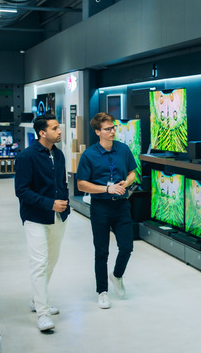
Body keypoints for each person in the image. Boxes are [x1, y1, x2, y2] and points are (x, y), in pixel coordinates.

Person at [14, 114, 69, 332]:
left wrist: (63, 205)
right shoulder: (27, 156)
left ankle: (37, 299)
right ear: (42, 132)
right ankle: (42, 313)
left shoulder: (59, 154)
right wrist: (49, 204)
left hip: (58, 217)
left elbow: (61, 182)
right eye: (55, 128)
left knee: (51, 262)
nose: (60, 131)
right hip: (36, 218)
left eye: (59, 127)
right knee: (39, 263)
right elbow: (22, 191)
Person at [76, 112, 137, 310]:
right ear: (97, 132)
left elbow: (132, 173)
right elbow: (82, 184)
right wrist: (106, 188)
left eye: (113, 128)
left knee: (127, 247)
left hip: (121, 205)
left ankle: (117, 276)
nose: (112, 131)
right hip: (100, 207)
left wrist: (125, 183)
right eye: (107, 129)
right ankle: (102, 291)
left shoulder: (123, 149)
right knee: (101, 252)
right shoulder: (89, 155)